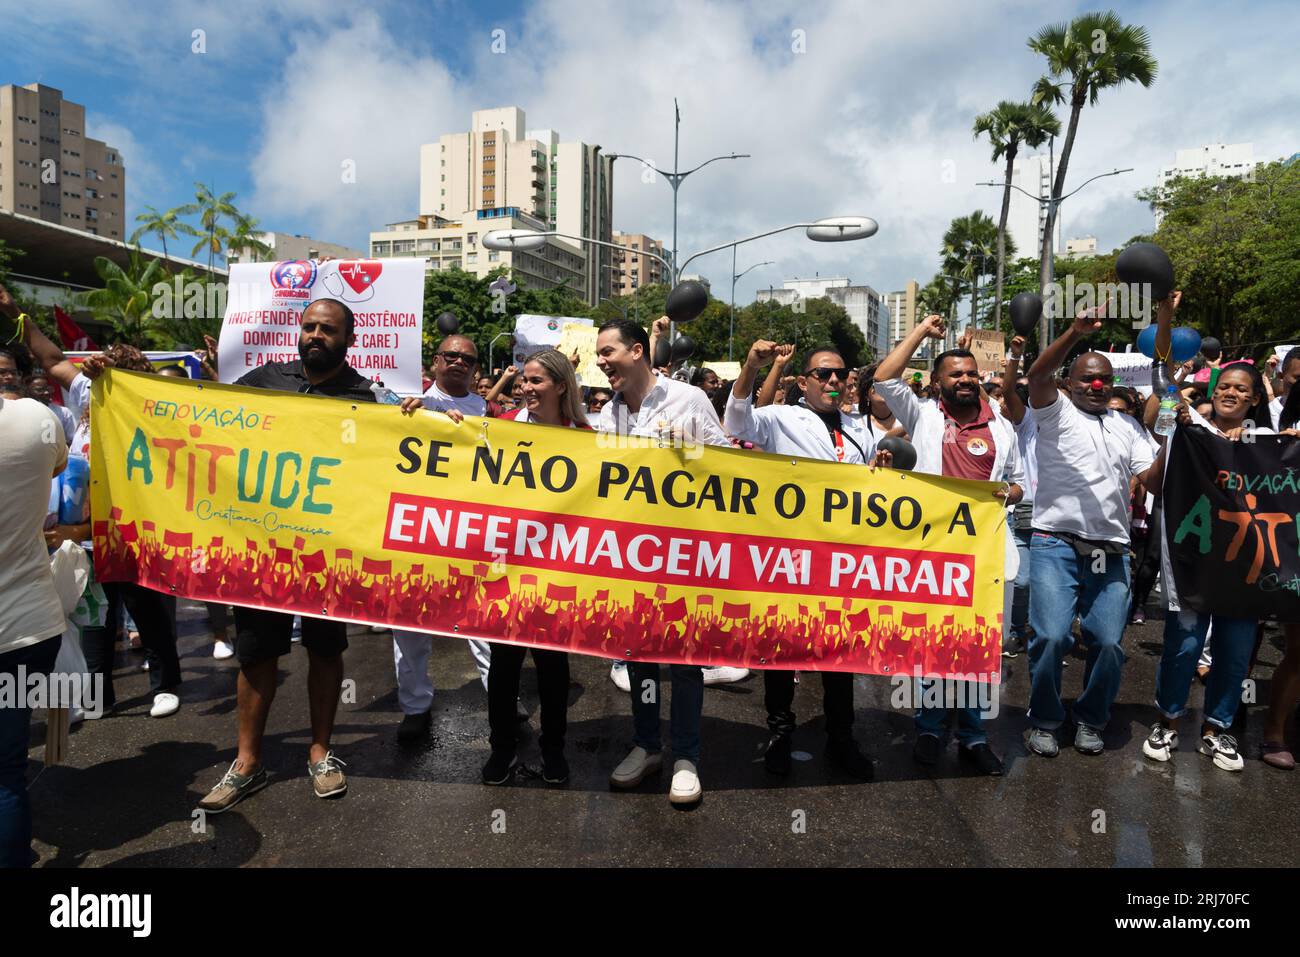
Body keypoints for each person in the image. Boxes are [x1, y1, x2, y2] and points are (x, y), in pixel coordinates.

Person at [196, 298, 374, 812]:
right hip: (264, 548)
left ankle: (320, 752)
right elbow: (211, 424)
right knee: (256, 653)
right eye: (309, 326)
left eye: (328, 329)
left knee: (324, 649)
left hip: (327, 553)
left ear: (350, 338)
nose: (316, 335)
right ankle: (247, 763)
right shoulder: (263, 381)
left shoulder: (365, 397)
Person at [7, 286, 185, 720]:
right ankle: (99, 696)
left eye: (116, 367)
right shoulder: (87, 393)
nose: (101, 370)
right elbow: (51, 359)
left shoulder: (152, 403)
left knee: (148, 609)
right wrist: (18, 317)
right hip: (86, 529)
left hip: (136, 526)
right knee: (96, 616)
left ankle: (165, 685)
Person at [1023, 299, 1174, 758]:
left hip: (1110, 550)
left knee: (1108, 642)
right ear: (1069, 384)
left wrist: (1168, 433)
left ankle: (1091, 718)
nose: (1095, 384)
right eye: (1086, 377)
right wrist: (1073, 332)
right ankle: (1045, 719)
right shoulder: (1055, 412)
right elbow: (1035, 376)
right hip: (1054, 542)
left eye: (1104, 379)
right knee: (1051, 637)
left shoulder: (1127, 426)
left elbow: (1151, 480)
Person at [875, 315, 1023, 775]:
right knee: (934, 642)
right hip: (931, 547)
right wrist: (921, 331)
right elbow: (882, 377)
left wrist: (1006, 494)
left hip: (987, 551)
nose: (965, 380)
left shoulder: (1000, 426)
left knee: (981, 645)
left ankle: (975, 737)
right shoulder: (920, 413)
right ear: (936, 381)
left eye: (971, 374)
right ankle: (929, 728)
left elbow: (1018, 485)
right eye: (955, 374)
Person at [724, 339, 877, 780]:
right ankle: (780, 733)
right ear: (804, 382)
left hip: (844, 560)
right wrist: (753, 364)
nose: (833, 381)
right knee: (782, 647)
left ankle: (841, 739)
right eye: (823, 374)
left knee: (840, 653)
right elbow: (737, 421)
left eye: (840, 374)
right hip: (789, 557)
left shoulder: (859, 428)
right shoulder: (779, 419)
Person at [594, 319, 730, 805]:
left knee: (685, 659)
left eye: (608, 352)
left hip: (684, 553)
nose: (600, 361)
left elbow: (730, 467)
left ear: (637, 351)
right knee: (639, 657)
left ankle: (687, 756)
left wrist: (685, 454)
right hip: (629, 555)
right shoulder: (607, 415)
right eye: (598, 354)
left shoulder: (688, 399)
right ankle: (648, 745)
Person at [1142, 361, 1271, 772]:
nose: (1230, 393)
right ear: (1214, 392)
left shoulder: (1267, 439)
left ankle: (1216, 730)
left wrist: (1250, 442)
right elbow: (1153, 424)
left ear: (1253, 399)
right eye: (1224, 386)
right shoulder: (1188, 429)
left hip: (1245, 566)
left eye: (1240, 389)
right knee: (1183, 647)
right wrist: (1173, 398)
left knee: (1234, 654)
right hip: (1194, 559)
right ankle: (1167, 722)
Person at [472, 349, 589, 786]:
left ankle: (554, 752)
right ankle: (501, 749)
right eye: (524, 380)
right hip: (505, 565)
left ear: (561, 385)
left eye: (537, 381)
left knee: (552, 664)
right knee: (504, 664)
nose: (526, 388)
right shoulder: (499, 430)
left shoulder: (585, 436)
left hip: (557, 569)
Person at [391, 336, 496, 741]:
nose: (458, 362)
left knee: (483, 625)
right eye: (450, 356)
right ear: (435, 362)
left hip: (470, 531)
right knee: (409, 629)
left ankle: (500, 699)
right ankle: (415, 706)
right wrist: (404, 418)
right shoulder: (406, 405)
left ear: (475, 369)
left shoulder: (489, 411)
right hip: (416, 531)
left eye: (467, 359)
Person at [0, 383, 68, 867]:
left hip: (25, 626)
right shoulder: (35, 419)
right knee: (6, 770)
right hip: (28, 627)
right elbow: (60, 464)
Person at [996, 338, 1036, 657]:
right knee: (1019, 580)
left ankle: (1035, 632)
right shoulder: (1023, 425)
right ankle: (1014, 629)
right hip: (1018, 513)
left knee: (1039, 584)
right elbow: (1007, 391)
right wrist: (1014, 356)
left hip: (1051, 519)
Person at [857, 362, 907, 444]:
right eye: (877, 384)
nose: (884, 388)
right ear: (866, 394)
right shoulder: (859, 425)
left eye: (889, 383)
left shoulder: (907, 418)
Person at [25, 373, 74, 444]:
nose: (46, 392)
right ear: (28, 392)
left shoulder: (64, 412)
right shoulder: (22, 412)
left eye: (48, 388)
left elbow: (72, 439)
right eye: (39, 390)